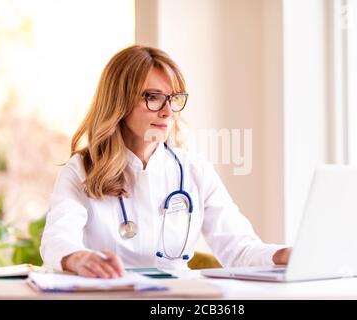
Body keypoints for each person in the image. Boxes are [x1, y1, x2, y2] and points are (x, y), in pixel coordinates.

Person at [40, 45, 291, 278]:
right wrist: (77, 258)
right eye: (153, 97)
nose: (168, 111)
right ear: (119, 101)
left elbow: (239, 249)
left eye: (174, 98)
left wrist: (284, 255)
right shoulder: (82, 169)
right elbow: (57, 240)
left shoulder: (194, 170)